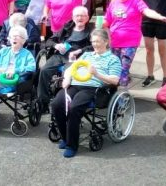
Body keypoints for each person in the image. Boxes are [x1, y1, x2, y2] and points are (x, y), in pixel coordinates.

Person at [50, 29, 121, 158]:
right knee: (56, 104)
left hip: (93, 88)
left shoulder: (113, 59)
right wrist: (67, 78)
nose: (95, 44)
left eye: (98, 41)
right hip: (75, 84)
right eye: (93, 41)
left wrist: (97, 74)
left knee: (74, 108)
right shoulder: (87, 55)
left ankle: (72, 145)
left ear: (106, 42)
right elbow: (71, 68)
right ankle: (65, 138)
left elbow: (115, 80)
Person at [105, 0, 166, 87]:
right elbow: (107, 20)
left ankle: (122, 98)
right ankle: (114, 95)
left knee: (123, 70)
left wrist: (159, 17)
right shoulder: (113, 3)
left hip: (130, 42)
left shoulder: (136, 1)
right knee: (114, 69)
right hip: (115, 41)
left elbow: (147, 11)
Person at [37, 6, 94, 107]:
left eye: (82, 16)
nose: (79, 18)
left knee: (68, 75)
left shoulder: (91, 30)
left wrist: (79, 51)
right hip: (61, 55)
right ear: (73, 17)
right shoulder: (67, 27)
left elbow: (94, 46)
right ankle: (43, 101)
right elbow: (49, 41)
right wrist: (56, 45)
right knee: (44, 70)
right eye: (77, 16)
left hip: (78, 58)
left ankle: (63, 102)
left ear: (87, 17)